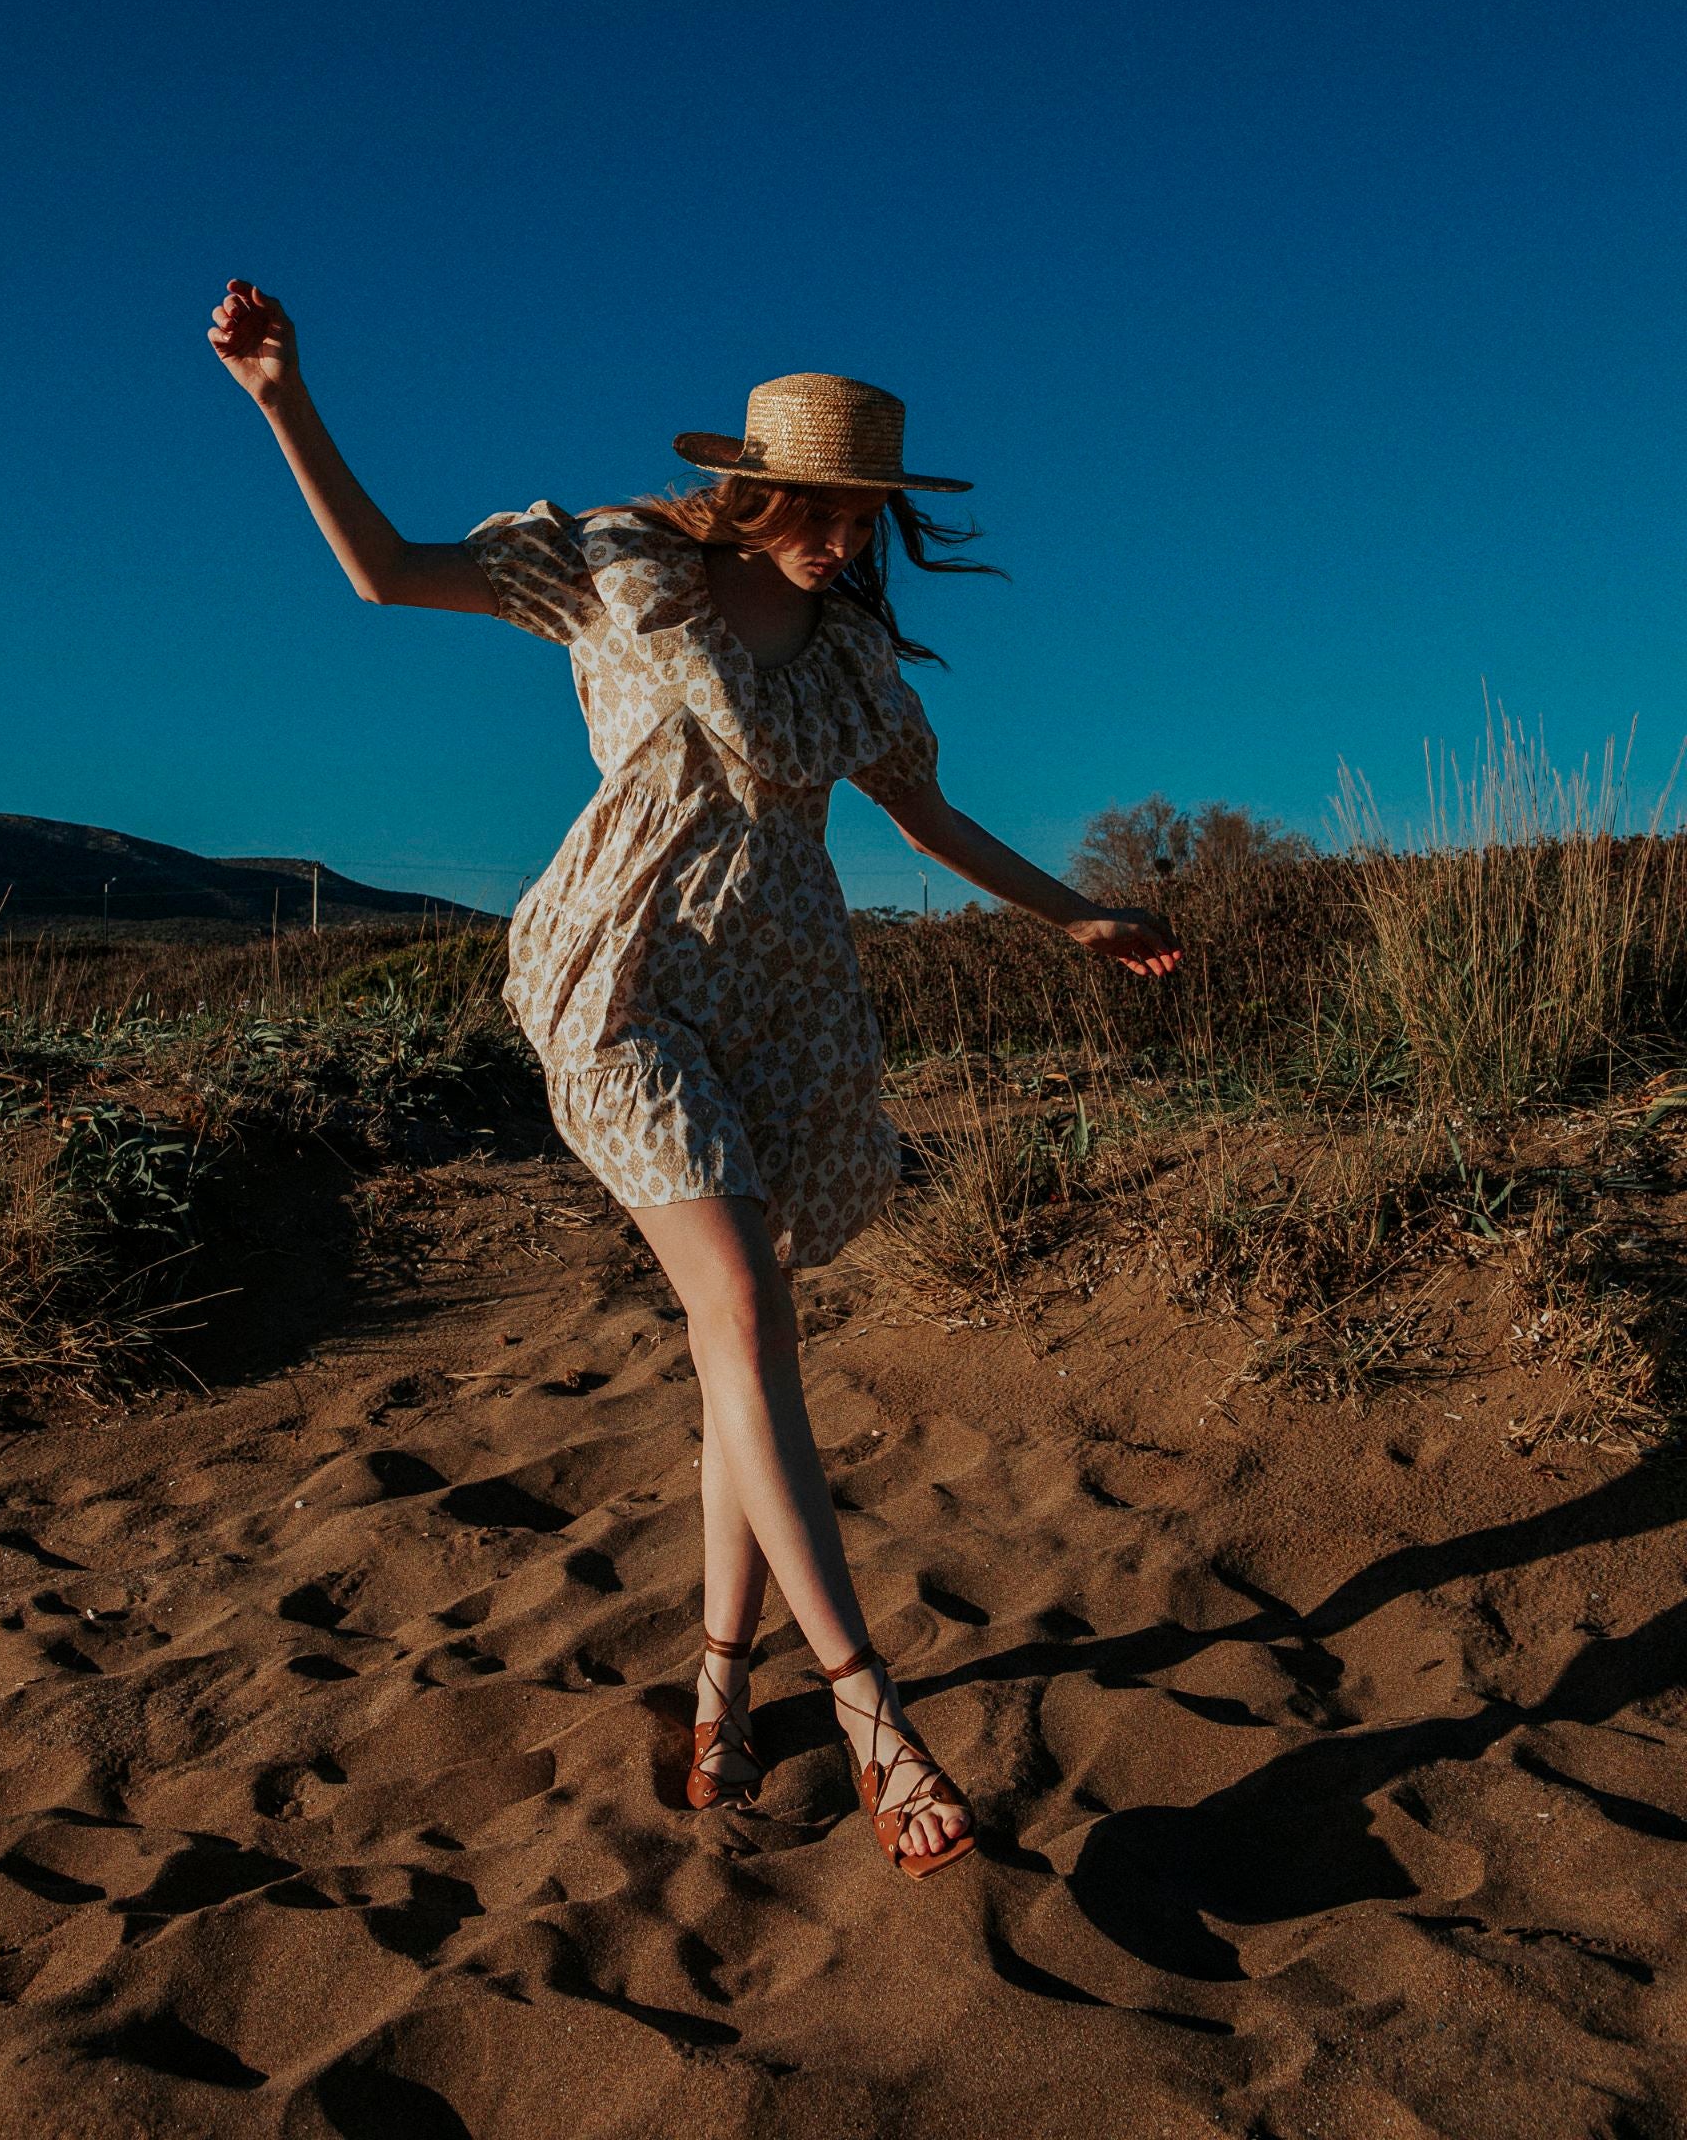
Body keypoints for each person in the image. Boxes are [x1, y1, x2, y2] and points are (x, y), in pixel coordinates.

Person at [210, 277, 1181, 1881]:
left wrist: (1075, 912)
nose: (851, 542)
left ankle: (724, 1685)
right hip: (620, 985)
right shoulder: (617, 567)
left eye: (872, 518)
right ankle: (873, 1715)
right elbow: (383, 575)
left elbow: (929, 823)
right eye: (828, 510)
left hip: (787, 1004)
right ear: (760, 484)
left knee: (754, 1333)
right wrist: (281, 395)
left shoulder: (857, 656)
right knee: (736, 1314)